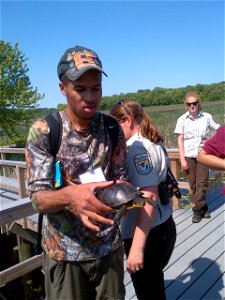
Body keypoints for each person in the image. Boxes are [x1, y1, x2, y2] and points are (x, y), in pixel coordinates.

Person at [26, 45, 128, 300]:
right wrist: (73, 196)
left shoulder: (112, 128)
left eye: (96, 88)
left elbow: (121, 179)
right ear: (63, 88)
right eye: (80, 89)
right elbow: (39, 199)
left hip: (109, 249)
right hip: (64, 255)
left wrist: (127, 198)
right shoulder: (45, 131)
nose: (90, 97)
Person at [110, 99, 177, 300]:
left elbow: (148, 194)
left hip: (146, 233)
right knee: (154, 284)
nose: (114, 130)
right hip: (164, 224)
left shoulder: (135, 149)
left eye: (115, 124)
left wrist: (137, 249)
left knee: (148, 292)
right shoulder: (154, 140)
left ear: (128, 120)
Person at [174, 91, 220, 223]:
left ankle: (196, 211)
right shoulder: (182, 120)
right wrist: (182, 159)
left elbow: (219, 130)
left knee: (202, 183)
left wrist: (211, 141)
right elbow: (180, 141)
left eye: (194, 103)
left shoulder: (206, 117)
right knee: (193, 185)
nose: (192, 106)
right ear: (186, 105)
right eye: (189, 104)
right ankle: (204, 208)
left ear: (198, 103)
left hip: (204, 155)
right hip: (189, 156)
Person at [197, 125, 225, 195]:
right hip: (190, 155)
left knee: (201, 182)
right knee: (198, 183)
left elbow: (216, 126)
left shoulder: (207, 117)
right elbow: (202, 156)